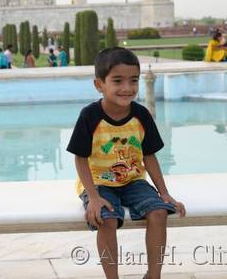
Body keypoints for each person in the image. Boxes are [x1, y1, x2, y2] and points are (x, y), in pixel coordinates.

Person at [67, 48, 185, 279]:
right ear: (99, 84)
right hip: (99, 182)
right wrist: (92, 196)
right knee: (106, 219)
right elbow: (80, 158)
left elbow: (149, 156)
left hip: (132, 181)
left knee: (159, 212)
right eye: (117, 81)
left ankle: (153, 275)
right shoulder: (89, 116)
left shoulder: (141, 115)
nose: (127, 88)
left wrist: (164, 193)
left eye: (133, 80)